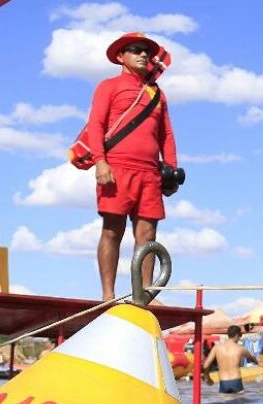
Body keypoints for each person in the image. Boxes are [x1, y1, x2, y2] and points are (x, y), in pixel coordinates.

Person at [89, 32, 178, 301]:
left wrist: (171, 171)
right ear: (121, 56)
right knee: (112, 230)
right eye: (136, 50)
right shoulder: (108, 86)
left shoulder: (158, 95)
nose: (143, 55)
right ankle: (107, 294)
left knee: (148, 234)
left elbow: (167, 135)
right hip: (116, 169)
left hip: (150, 172)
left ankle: (145, 294)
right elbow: (96, 125)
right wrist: (100, 161)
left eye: (147, 52)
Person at [202, 325, 258, 394]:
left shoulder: (216, 348)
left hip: (223, 382)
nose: (240, 338)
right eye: (240, 335)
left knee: (225, 403)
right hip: (236, 381)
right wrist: (259, 362)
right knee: (240, 403)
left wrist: (208, 378)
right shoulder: (241, 349)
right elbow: (253, 360)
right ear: (237, 335)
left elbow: (205, 365)